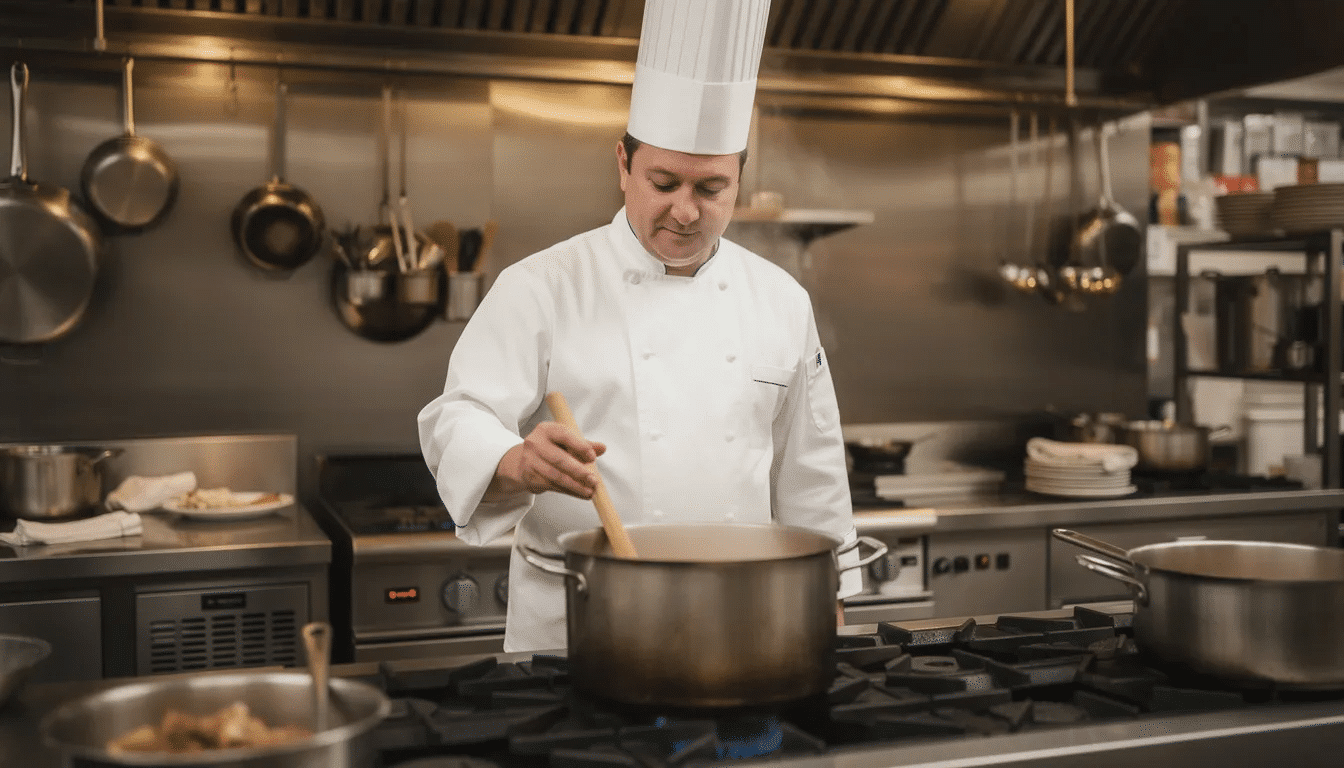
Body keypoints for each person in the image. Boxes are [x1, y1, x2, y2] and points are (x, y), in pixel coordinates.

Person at [417, 0, 860, 652]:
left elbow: (811, 474)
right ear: (622, 166)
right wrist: (516, 460)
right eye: (664, 181)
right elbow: (458, 418)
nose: (685, 210)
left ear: (739, 180)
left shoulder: (780, 301)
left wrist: (834, 601)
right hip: (580, 627)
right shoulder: (543, 286)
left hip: (741, 629)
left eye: (710, 188)